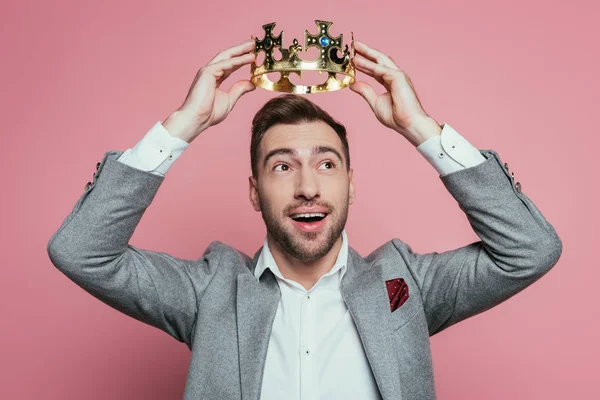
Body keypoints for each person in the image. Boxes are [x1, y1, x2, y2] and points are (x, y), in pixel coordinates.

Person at [47, 38, 563, 400]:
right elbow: (81, 251)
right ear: (255, 191)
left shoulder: (405, 286)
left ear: (351, 183)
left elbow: (529, 250)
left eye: (326, 163)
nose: (308, 186)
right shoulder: (210, 291)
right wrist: (184, 125)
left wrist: (421, 128)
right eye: (282, 166)